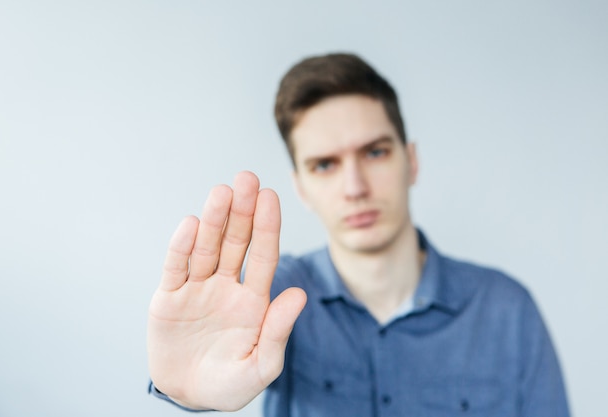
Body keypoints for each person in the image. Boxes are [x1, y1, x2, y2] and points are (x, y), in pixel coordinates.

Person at [147, 53, 570, 416]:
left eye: (375, 152)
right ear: (301, 187)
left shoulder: (506, 310)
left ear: (412, 161)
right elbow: (212, 367)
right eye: (325, 165)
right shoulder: (267, 301)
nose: (355, 187)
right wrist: (186, 391)